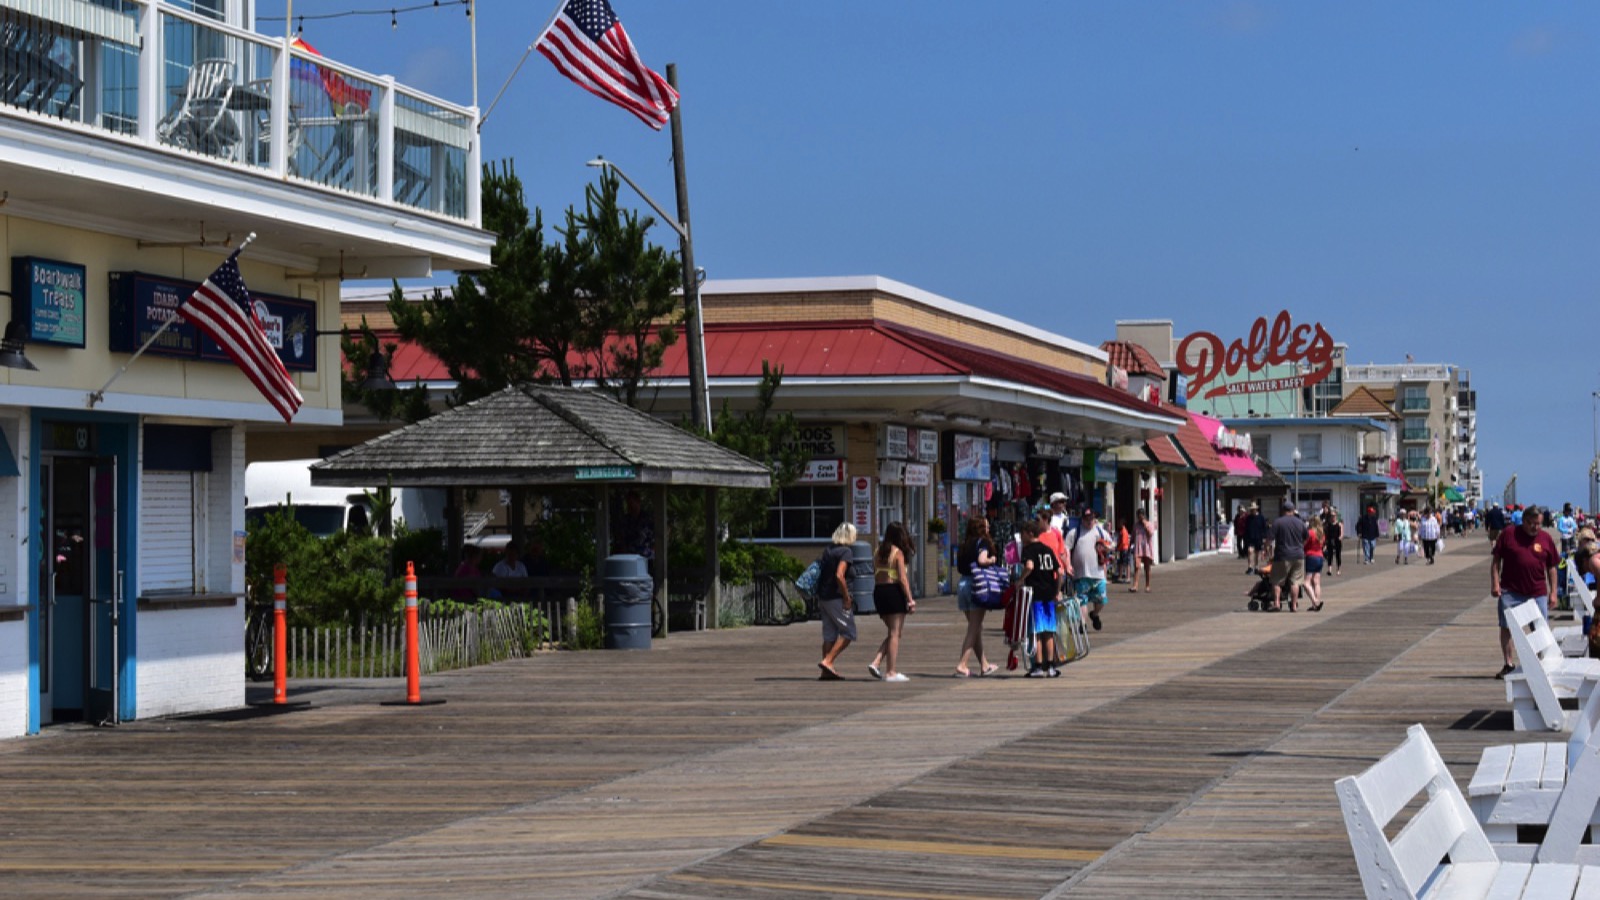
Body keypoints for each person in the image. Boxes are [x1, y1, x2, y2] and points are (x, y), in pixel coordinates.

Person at [1491, 505, 1559, 678]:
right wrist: (1495, 584)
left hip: (1537, 592)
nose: (1536, 527)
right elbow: (1496, 560)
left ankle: (1539, 663)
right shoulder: (1508, 534)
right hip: (1511, 591)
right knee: (1506, 627)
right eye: (1532, 523)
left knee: (1540, 628)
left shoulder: (1545, 538)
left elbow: (1552, 567)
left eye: (1539, 524)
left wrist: (1553, 593)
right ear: (1524, 521)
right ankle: (1508, 663)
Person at [867, 522, 916, 682]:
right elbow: (902, 578)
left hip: (879, 592)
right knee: (895, 633)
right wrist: (910, 599)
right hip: (893, 591)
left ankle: (876, 662)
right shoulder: (898, 553)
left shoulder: (878, 551)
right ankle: (891, 672)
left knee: (894, 633)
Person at [954, 517, 1000, 677]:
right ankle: (962, 664)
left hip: (963, 585)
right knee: (974, 628)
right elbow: (982, 560)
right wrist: (992, 559)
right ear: (980, 528)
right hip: (977, 584)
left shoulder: (964, 544)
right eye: (986, 526)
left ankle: (984, 665)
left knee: (976, 627)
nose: (988, 528)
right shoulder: (983, 543)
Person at [1018, 520, 1063, 677]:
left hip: (1035, 594)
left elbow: (1029, 566)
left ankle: (1037, 666)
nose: (1021, 537)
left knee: (1036, 631)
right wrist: (1057, 589)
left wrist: (1020, 579)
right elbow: (1060, 571)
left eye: (1023, 534)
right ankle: (1050, 666)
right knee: (1049, 631)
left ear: (1030, 533)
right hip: (1049, 594)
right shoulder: (1048, 549)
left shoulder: (1028, 550)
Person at [816, 523, 859, 680]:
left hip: (824, 597)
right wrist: (846, 597)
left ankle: (826, 672)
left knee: (829, 634)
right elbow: (839, 575)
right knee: (849, 632)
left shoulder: (829, 549)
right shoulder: (846, 552)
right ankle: (828, 661)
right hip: (836, 598)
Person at [1065, 507, 1113, 631]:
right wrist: (1068, 564)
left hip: (1098, 573)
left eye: (1092, 518)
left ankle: (1095, 614)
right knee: (1082, 600)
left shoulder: (1100, 532)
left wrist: (1107, 548)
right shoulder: (1074, 533)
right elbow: (1066, 550)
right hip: (1081, 574)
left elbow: (1111, 544)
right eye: (1087, 519)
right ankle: (1083, 624)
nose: (1090, 521)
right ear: (1082, 519)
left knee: (1101, 599)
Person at [1267, 500, 1308, 612]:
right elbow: (1306, 537)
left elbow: (1269, 539)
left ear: (1283, 510)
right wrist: (1300, 546)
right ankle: (1294, 605)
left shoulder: (1278, 522)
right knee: (1295, 582)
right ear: (1293, 510)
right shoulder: (1300, 522)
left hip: (1282, 555)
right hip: (1298, 555)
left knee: (1277, 581)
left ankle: (1276, 603)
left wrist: (1265, 550)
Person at [1303, 517, 1325, 612]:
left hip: (1311, 556)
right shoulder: (1321, 534)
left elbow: (1304, 544)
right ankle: (1316, 604)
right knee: (1316, 582)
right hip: (1320, 557)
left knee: (1306, 583)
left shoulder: (1310, 533)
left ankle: (1315, 601)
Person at [1131, 508, 1156, 593]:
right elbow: (1133, 536)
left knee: (1147, 567)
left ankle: (1147, 586)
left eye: (1141, 515)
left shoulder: (1149, 524)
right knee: (1137, 567)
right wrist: (1130, 545)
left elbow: (1150, 534)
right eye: (1138, 515)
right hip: (1138, 548)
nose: (1140, 517)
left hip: (1147, 548)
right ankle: (1135, 585)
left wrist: (1145, 525)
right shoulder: (1136, 525)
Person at [1243, 504, 1267, 574]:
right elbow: (1246, 528)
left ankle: (1256, 567)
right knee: (1250, 551)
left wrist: (1264, 537)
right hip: (1250, 538)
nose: (1252, 511)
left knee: (1257, 553)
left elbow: (1264, 528)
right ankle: (1250, 567)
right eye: (1251, 509)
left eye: (1253, 509)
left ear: (1256, 509)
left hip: (1259, 538)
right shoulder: (1248, 518)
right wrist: (1246, 537)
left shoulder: (1261, 517)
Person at [1324, 507, 1344, 575]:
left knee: (1338, 555)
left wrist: (1340, 537)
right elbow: (1326, 533)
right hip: (1330, 540)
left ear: (1336, 516)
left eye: (1334, 516)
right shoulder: (1328, 525)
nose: (1333, 517)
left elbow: (1341, 533)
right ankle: (1329, 569)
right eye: (1331, 516)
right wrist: (1325, 542)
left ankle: (1338, 569)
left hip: (1337, 541)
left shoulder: (1339, 524)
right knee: (1330, 555)